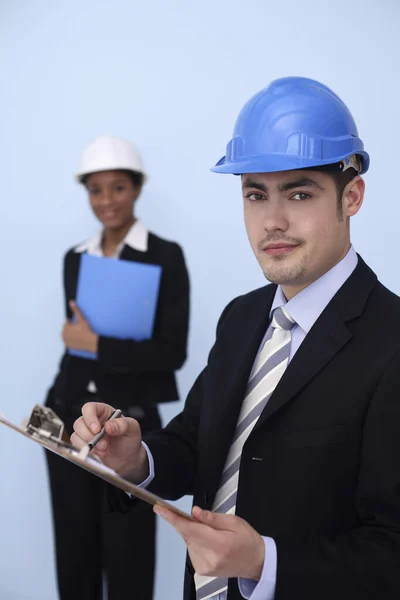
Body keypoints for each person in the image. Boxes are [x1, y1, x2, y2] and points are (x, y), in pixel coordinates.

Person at [71, 79, 400, 600]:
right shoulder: (243, 317)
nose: (273, 220)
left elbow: (392, 552)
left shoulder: (391, 342)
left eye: (299, 193)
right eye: (255, 194)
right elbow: (198, 441)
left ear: (351, 195)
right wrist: (137, 460)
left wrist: (266, 563)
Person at [45, 135, 190, 600]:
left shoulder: (165, 256)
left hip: (128, 428)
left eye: (118, 188)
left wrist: (96, 343)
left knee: (129, 560)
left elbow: (172, 353)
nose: (106, 201)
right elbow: (75, 347)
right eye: (96, 189)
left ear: (137, 189)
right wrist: (48, 413)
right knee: (74, 556)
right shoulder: (76, 257)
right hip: (68, 424)